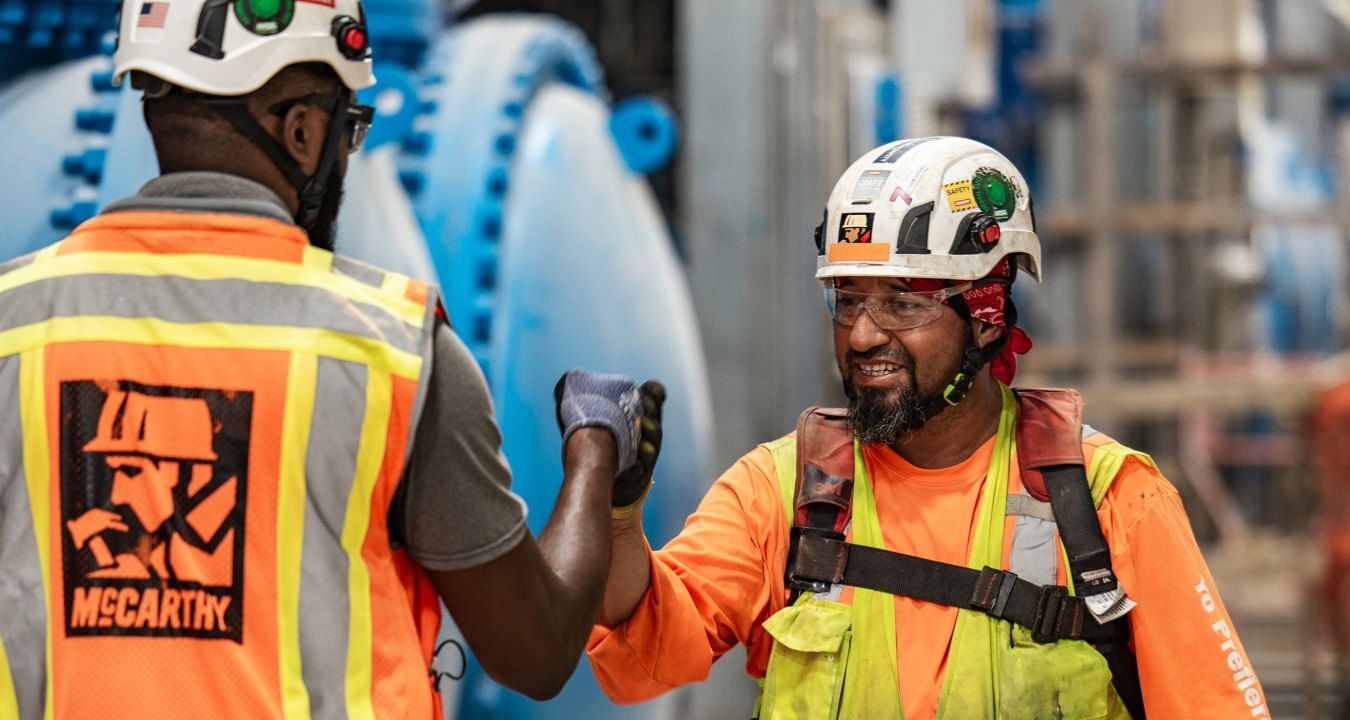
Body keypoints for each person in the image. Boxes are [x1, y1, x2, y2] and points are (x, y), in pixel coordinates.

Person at [0, 1, 665, 717]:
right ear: (303, 130)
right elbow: (535, 653)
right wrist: (596, 453)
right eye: (350, 130)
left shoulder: (14, 325)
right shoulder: (394, 353)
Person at [588, 137, 1268, 719]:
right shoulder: (782, 492)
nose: (861, 334)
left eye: (902, 304)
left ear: (986, 315)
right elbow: (643, 658)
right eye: (847, 300)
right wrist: (620, 518)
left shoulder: (1108, 502)